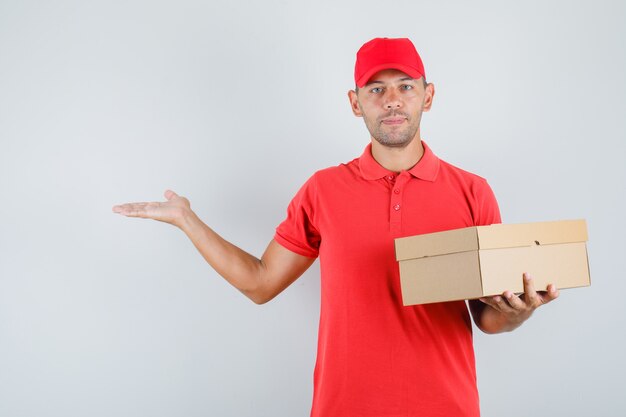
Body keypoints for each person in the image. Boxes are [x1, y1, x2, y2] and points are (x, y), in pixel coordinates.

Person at [112, 37, 559, 417]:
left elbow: (489, 318)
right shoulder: (323, 190)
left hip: (446, 406)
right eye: (375, 89)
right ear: (354, 102)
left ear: (428, 96)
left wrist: (518, 311)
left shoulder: (472, 191)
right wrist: (189, 221)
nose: (392, 100)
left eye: (405, 86)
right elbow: (260, 283)